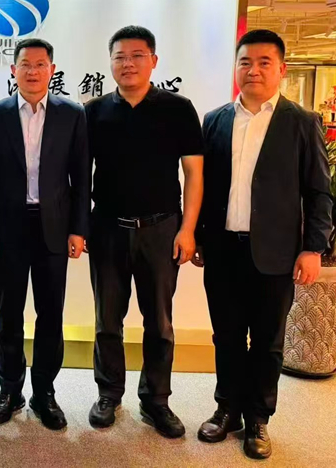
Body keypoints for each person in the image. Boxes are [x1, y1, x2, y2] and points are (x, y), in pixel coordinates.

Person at [194, 29, 332, 460]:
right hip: (223, 250)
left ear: (281, 69)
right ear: (235, 68)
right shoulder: (215, 120)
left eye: (263, 62)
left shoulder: (301, 121)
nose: (253, 70)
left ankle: (258, 418)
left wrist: (313, 248)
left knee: (268, 341)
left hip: (276, 254)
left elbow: (319, 192)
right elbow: (203, 187)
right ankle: (227, 409)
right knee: (227, 336)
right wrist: (197, 235)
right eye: (245, 62)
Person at [85, 25, 204, 438]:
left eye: (137, 56)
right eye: (119, 56)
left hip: (161, 229)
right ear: (110, 63)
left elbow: (194, 174)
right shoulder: (94, 111)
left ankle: (156, 400)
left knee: (159, 322)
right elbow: (79, 174)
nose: (128, 64)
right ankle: (108, 394)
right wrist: (82, 227)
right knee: (107, 320)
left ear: (153, 60)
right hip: (108, 229)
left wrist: (188, 229)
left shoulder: (178, 108)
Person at [0, 38, 90, 430]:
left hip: (53, 227)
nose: (33, 71)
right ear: (13, 70)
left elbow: (81, 177)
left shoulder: (72, 114)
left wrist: (78, 229)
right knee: (9, 314)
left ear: (52, 70)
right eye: (25, 64)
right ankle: (9, 390)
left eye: (41, 64)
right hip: (8, 228)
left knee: (51, 314)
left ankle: (44, 392)